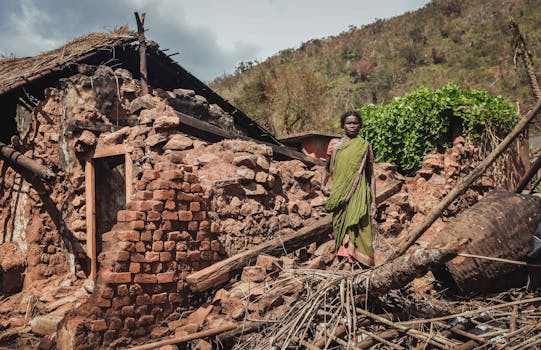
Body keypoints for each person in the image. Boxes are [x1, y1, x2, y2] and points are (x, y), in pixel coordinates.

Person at [321, 111, 376, 267]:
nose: (352, 126)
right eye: (348, 123)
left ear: (360, 126)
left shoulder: (365, 146)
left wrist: (374, 202)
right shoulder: (334, 145)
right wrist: (323, 185)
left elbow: (371, 176)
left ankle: (360, 263)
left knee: (360, 226)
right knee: (340, 224)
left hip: (359, 194)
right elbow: (326, 168)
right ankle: (345, 260)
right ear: (343, 126)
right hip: (339, 193)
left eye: (355, 123)